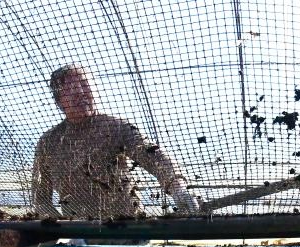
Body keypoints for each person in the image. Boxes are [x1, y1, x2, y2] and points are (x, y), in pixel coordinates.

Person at [32, 65, 200, 220]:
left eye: (84, 84)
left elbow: (153, 155)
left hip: (127, 228)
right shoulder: (49, 143)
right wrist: (61, 227)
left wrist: (177, 187)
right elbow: (40, 199)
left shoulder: (116, 128)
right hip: (80, 233)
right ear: (59, 100)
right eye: (70, 89)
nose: (80, 92)